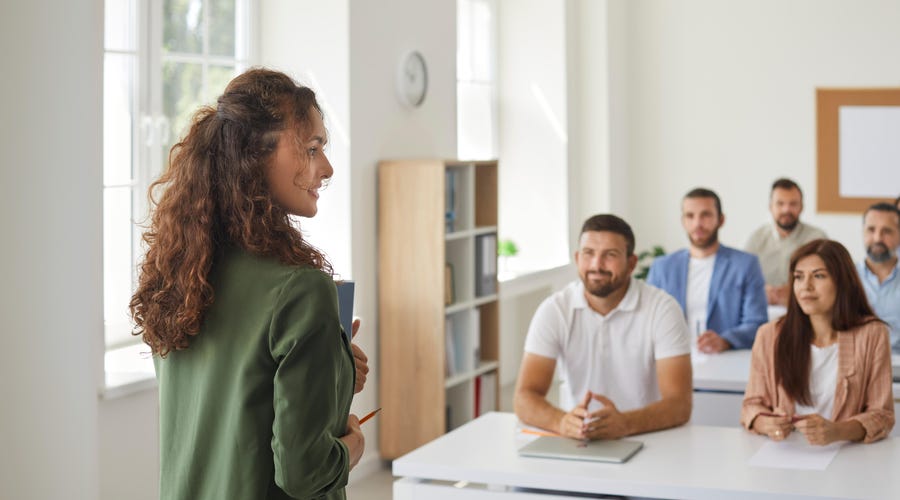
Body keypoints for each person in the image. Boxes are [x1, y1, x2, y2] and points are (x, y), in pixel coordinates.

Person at [129, 68, 367, 500]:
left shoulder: (179, 274)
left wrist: (334, 370)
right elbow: (304, 472)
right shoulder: (300, 290)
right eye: (311, 149)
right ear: (255, 156)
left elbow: (234, 405)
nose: (327, 168)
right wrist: (351, 449)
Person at [514, 214, 692, 440]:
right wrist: (561, 422)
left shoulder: (662, 309)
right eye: (588, 253)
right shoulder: (555, 309)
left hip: (648, 437)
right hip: (580, 438)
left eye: (610, 255)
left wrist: (625, 424)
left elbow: (679, 404)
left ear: (631, 263)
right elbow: (524, 397)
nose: (596, 265)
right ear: (577, 258)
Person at [741, 239, 894, 445]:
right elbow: (751, 406)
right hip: (785, 451)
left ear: (842, 282)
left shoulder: (873, 334)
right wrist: (765, 423)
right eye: (799, 277)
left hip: (847, 453)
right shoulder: (769, 335)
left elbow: (882, 415)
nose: (806, 286)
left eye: (818, 276)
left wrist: (837, 431)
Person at [648, 188, 767, 353]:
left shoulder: (746, 265)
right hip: (672, 357)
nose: (697, 223)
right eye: (690, 216)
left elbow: (757, 322)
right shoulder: (662, 267)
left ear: (721, 220)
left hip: (725, 358)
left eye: (706, 215)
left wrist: (726, 340)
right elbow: (648, 321)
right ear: (683, 221)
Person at [745, 178, 827, 306]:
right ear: (770, 207)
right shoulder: (756, 239)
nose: (786, 210)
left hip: (805, 308)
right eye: (780, 204)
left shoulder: (817, 239)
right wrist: (760, 290)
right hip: (764, 308)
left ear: (801, 207)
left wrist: (797, 289)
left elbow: (827, 280)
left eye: (793, 204)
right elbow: (742, 280)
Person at [856, 202, 900, 351]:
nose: (877, 238)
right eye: (871, 230)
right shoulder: (845, 277)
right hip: (857, 360)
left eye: (886, 231)